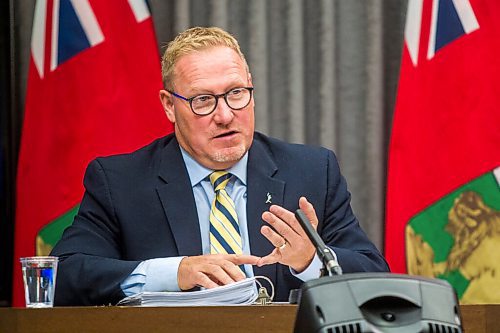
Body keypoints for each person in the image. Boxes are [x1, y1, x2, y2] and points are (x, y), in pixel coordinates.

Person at [51, 27, 389, 306]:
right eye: (203, 100)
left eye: (236, 93)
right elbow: (61, 276)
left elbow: (377, 278)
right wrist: (174, 273)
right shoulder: (121, 182)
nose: (225, 115)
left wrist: (311, 261)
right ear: (169, 106)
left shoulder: (311, 171)